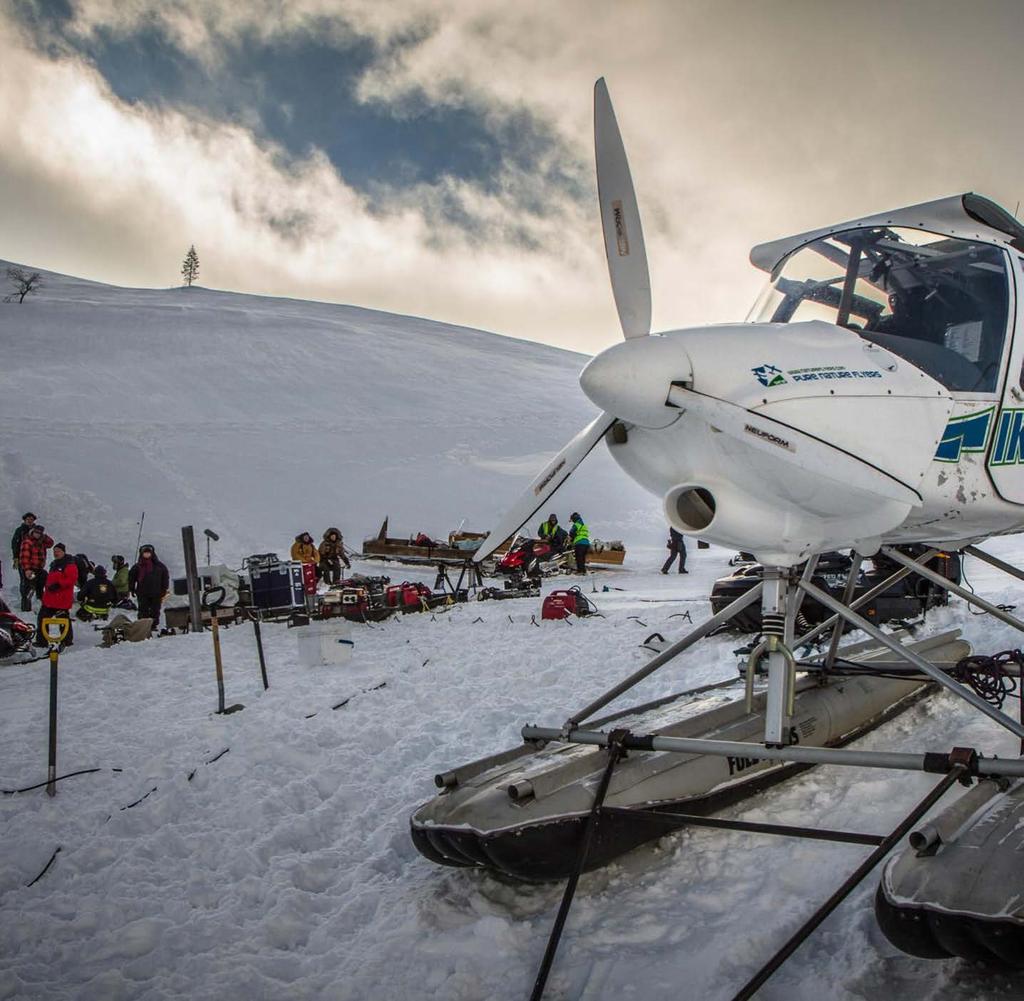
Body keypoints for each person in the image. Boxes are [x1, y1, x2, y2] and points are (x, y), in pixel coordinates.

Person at [35, 543, 78, 648]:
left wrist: (59, 585)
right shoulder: (54, 564)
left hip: (61, 599)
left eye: (58, 551)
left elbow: (71, 579)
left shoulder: (69, 564)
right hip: (50, 599)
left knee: (63, 620)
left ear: (63, 552)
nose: (56, 553)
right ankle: (42, 641)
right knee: (42, 619)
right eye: (54, 551)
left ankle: (67, 641)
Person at [128, 544, 169, 633]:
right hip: (142, 592)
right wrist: (131, 588)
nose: (147, 555)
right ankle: (142, 625)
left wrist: (164, 589)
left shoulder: (160, 566)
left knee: (155, 610)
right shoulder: (138, 566)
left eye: (148, 553)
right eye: (145, 553)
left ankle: (153, 625)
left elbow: (165, 578)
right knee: (143, 609)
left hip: (156, 592)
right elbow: (131, 577)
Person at [18, 524, 53, 612]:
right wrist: (27, 569)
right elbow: (24, 557)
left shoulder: (41, 542)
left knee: (41, 586)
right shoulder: (27, 542)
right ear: (32, 532)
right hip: (30, 569)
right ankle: (26, 609)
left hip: (39, 569)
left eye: (39, 533)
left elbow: (51, 543)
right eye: (36, 532)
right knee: (28, 589)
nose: (37, 534)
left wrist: (44, 536)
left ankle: (41, 603)